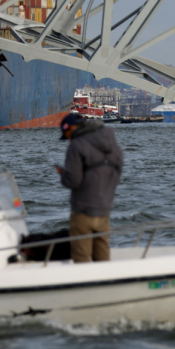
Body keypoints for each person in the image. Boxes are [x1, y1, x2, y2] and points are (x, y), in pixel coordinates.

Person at [56, 111, 124, 263]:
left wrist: (63, 174)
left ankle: (85, 286)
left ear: (71, 128)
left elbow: (73, 181)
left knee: (81, 258)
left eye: (66, 134)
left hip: (83, 211)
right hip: (104, 211)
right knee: (102, 259)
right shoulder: (114, 146)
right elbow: (115, 176)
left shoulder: (77, 145)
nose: (67, 138)